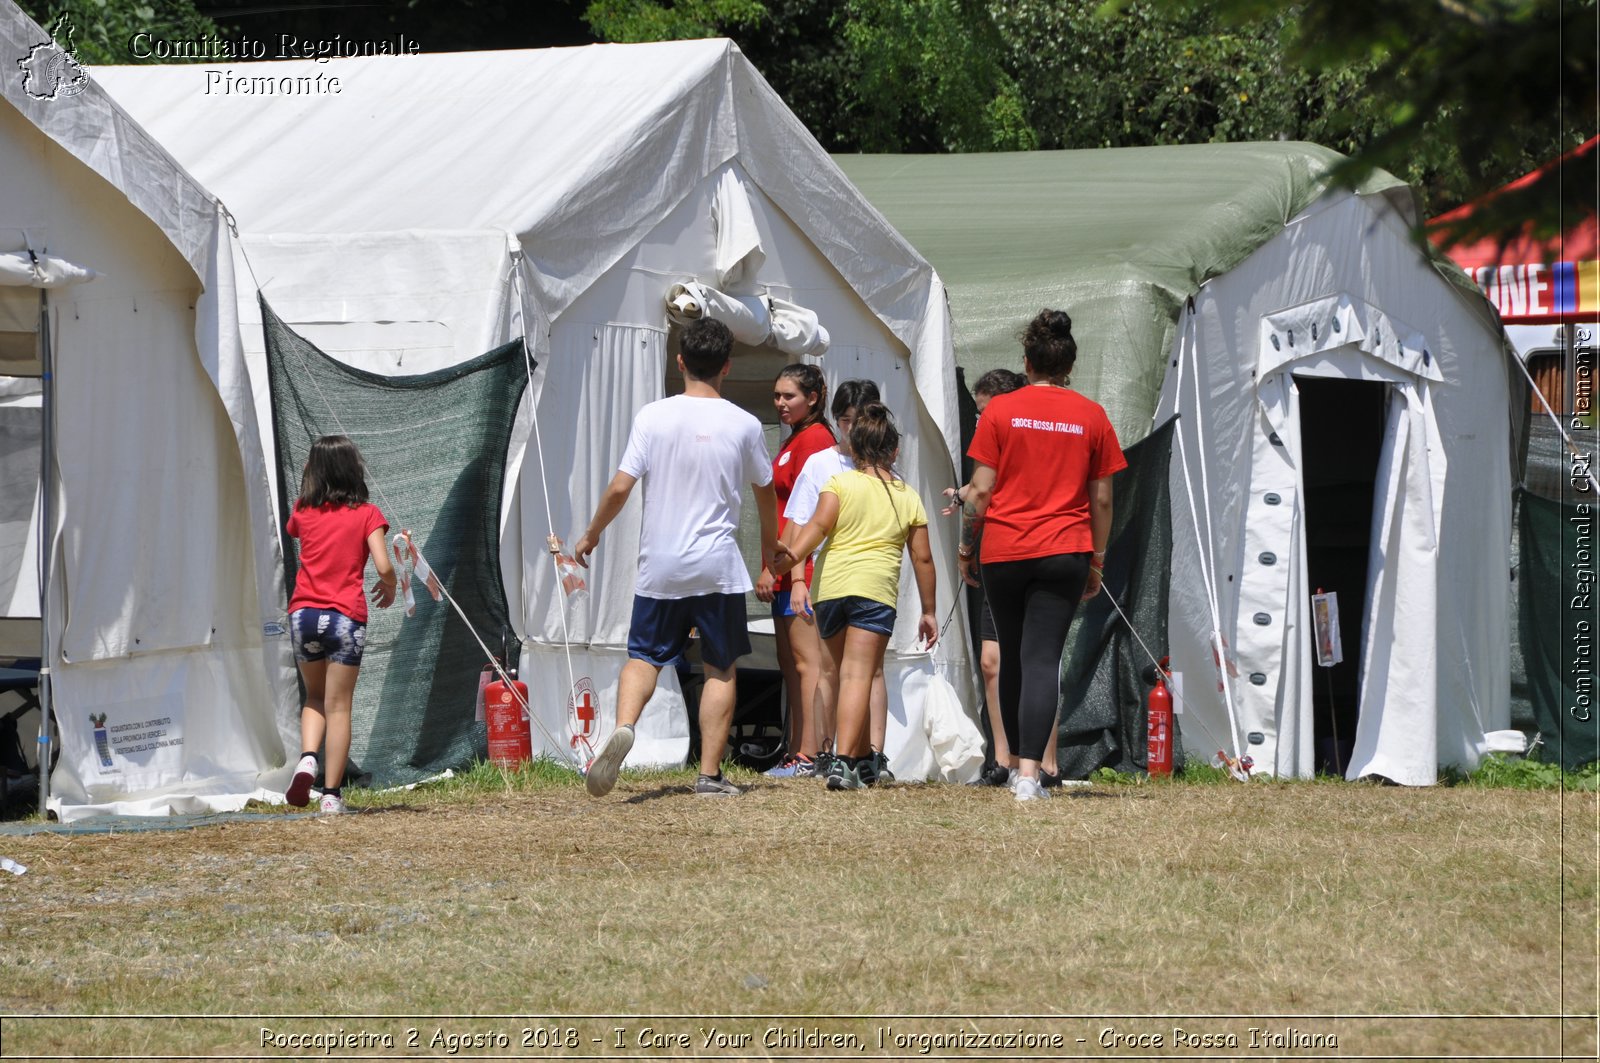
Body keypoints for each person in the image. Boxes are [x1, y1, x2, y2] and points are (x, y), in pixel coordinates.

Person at [574, 318, 784, 798]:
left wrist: (591, 534)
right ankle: (709, 775)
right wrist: (768, 552)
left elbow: (621, 486)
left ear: (681, 361)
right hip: (718, 567)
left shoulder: (653, 416)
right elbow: (766, 494)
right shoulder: (746, 424)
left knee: (644, 657)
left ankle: (626, 725)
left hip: (661, 568)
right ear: (727, 366)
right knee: (721, 665)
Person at [949, 310, 1126, 802]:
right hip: (1065, 549)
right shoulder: (1092, 415)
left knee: (1009, 659)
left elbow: (979, 492)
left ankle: (1010, 769)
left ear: (1026, 362)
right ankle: (1030, 774)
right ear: (1068, 365)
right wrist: (1097, 559)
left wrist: (967, 549)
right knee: (1042, 658)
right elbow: (1104, 500)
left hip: (1004, 549)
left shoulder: (1001, 412)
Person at [775, 402, 937, 791]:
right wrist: (929, 610)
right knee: (859, 674)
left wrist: (788, 562)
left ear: (856, 449)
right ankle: (845, 762)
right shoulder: (908, 496)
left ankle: (859, 757)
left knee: (833, 673)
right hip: (874, 591)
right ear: (894, 451)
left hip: (830, 589)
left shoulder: (838, 484)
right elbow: (923, 557)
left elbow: (814, 528)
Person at [954, 369, 1064, 790]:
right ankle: (1004, 759)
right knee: (992, 662)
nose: (980, 421)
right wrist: (965, 495)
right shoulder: (995, 433)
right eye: (978, 414)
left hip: (1041, 553)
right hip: (1000, 554)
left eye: (985, 412)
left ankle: (1044, 762)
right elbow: (984, 486)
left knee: (1037, 661)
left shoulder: (1028, 428)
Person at [782, 379, 892, 781]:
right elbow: (798, 526)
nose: (852, 430)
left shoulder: (886, 467)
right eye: (845, 420)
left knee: (872, 669)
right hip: (826, 577)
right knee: (828, 669)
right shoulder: (822, 463)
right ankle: (824, 753)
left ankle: (874, 755)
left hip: (873, 581)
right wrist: (796, 580)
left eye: (860, 420)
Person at [284, 434, 396, 815]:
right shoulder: (368, 514)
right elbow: (382, 566)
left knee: (314, 698)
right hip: (344, 618)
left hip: (303, 616)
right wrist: (390, 584)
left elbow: (296, 524)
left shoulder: (303, 510)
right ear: (354, 469)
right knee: (339, 708)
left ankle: (306, 759)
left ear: (314, 472)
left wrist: (308, 479)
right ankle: (331, 795)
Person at [758, 364, 835, 778]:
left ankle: (809, 755)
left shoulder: (817, 440)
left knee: (808, 663)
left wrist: (787, 567)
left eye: (790, 396)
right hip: (784, 567)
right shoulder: (795, 440)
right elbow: (778, 509)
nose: (781, 403)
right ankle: (795, 750)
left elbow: (806, 512)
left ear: (814, 397)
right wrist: (768, 564)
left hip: (800, 567)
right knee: (791, 664)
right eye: (777, 395)